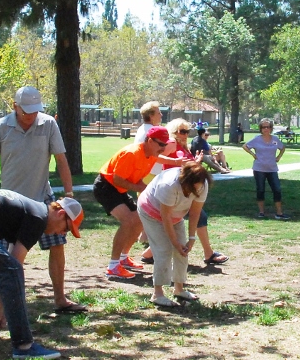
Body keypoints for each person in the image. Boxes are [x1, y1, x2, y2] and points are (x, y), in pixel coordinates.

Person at [0, 86, 84, 313]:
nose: (31, 116)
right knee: (8, 256)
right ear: (15, 106)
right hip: (10, 203)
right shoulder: (1, 127)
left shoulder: (48, 125)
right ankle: (1, 305)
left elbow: (61, 160)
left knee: (57, 245)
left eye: (35, 111)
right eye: (26, 111)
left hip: (43, 199)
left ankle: (60, 299)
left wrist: (68, 195)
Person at [0, 191, 84, 359]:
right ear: (61, 213)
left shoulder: (34, 211)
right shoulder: (38, 218)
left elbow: (10, 259)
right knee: (10, 271)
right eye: (66, 228)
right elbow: (13, 267)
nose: (62, 234)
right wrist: (0, 309)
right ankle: (24, 345)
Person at [142, 119, 228, 267]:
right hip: (174, 189)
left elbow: (188, 169)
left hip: (185, 189)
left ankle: (148, 254)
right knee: (196, 217)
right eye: (181, 131)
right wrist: (176, 162)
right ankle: (208, 253)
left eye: (187, 131)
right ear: (173, 132)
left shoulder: (184, 147)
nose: (185, 134)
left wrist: (196, 162)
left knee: (179, 221)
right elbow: (156, 157)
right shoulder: (171, 144)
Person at [94, 127, 168, 278]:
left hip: (120, 189)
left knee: (140, 219)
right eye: (161, 144)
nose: (163, 148)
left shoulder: (152, 155)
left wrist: (143, 188)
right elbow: (117, 179)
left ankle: (123, 258)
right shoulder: (132, 153)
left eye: (165, 145)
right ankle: (113, 267)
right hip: (106, 187)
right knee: (128, 221)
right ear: (149, 140)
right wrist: (140, 187)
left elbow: (137, 177)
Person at [137, 161, 212, 307]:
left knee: (183, 250)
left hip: (176, 215)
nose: (195, 191)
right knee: (164, 249)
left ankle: (179, 289)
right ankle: (157, 294)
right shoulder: (168, 185)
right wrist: (174, 242)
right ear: (185, 182)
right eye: (192, 189)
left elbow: (195, 212)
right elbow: (166, 217)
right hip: (151, 211)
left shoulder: (202, 184)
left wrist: (191, 239)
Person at [244, 119, 289, 220]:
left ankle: (279, 212)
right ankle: (261, 212)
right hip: (259, 168)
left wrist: (278, 157)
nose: (266, 129)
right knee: (260, 190)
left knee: (277, 189)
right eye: (264, 127)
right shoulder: (257, 139)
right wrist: (253, 154)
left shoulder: (275, 139)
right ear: (261, 129)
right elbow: (245, 146)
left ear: (271, 128)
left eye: (268, 127)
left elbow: (282, 148)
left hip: (272, 169)